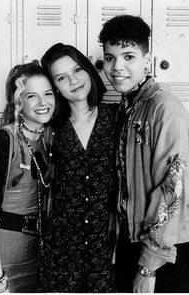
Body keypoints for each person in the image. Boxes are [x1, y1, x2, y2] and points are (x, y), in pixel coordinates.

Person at [98, 14, 189, 293]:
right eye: (110, 58)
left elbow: (175, 188)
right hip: (134, 243)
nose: (117, 67)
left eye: (129, 57)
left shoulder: (164, 107)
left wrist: (148, 265)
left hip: (165, 252)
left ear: (147, 61)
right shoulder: (130, 106)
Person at [39, 43, 118, 292]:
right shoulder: (51, 129)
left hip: (106, 250)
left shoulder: (117, 118)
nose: (73, 81)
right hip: (62, 252)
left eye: (77, 70)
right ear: (55, 87)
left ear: (88, 70)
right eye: (62, 78)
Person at [0, 62, 56, 292]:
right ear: (18, 100)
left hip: (39, 260)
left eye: (48, 94)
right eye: (32, 96)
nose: (43, 103)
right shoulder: (3, 139)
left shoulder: (52, 139)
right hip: (4, 261)